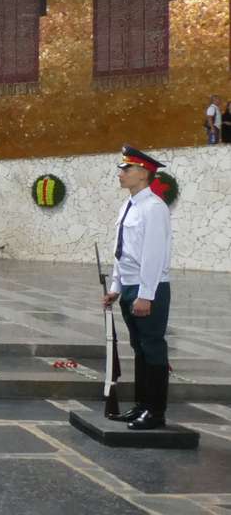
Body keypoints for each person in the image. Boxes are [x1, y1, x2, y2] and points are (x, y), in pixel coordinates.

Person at [102, 145, 173, 430]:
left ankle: (155, 412)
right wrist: (116, 286)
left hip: (149, 289)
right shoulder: (129, 205)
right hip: (130, 286)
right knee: (139, 348)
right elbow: (122, 251)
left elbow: (154, 255)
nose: (120, 173)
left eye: (126, 168)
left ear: (143, 173)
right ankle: (142, 406)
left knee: (152, 348)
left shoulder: (154, 208)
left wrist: (145, 295)